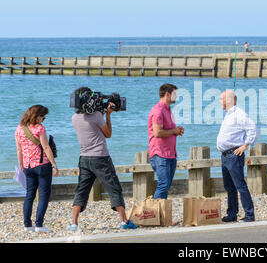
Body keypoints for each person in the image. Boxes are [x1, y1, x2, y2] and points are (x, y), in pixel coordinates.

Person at [69, 87, 137, 231]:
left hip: (84, 158)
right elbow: (108, 134)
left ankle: (74, 223)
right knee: (114, 188)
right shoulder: (97, 116)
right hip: (101, 157)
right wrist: (108, 114)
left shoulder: (75, 118)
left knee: (81, 190)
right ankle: (124, 221)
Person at [15, 105, 59, 232]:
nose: (43, 119)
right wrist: (54, 165)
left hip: (28, 166)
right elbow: (46, 147)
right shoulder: (39, 128)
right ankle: (39, 225)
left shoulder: (19, 129)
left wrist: (21, 165)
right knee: (44, 195)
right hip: (42, 166)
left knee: (29, 195)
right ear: (37, 116)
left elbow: (19, 149)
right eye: (43, 117)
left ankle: (27, 225)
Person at [217, 90, 257, 222]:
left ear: (228, 100)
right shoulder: (228, 114)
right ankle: (232, 214)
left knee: (240, 185)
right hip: (225, 156)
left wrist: (245, 145)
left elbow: (252, 129)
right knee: (229, 187)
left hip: (234, 155)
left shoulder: (239, 114)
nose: (219, 102)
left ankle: (249, 215)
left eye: (221, 99)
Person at [148, 83, 184, 199]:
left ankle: (161, 214)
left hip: (170, 154)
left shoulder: (168, 110)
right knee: (163, 184)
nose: (176, 97)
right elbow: (157, 133)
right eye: (174, 94)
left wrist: (177, 131)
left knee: (166, 185)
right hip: (160, 154)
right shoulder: (158, 110)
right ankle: (154, 212)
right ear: (167, 94)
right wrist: (174, 131)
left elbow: (168, 130)